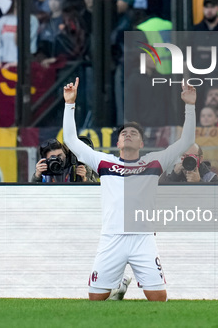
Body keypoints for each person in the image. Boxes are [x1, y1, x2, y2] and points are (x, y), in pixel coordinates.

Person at [63, 77, 196, 302]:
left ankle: (123, 286)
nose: (128, 134)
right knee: (96, 298)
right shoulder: (104, 162)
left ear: (142, 144)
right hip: (111, 237)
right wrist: (69, 104)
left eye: (134, 133)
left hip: (143, 238)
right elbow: (71, 141)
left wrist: (190, 106)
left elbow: (187, 141)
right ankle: (118, 290)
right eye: (124, 133)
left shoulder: (154, 162)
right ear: (118, 143)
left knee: (158, 297)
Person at [31, 138, 98, 183]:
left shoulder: (79, 165)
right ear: (45, 160)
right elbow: (33, 194)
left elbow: (96, 192)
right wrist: (37, 176)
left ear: (65, 153)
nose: (58, 159)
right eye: (53, 157)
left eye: (60, 155)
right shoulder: (44, 170)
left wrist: (84, 179)